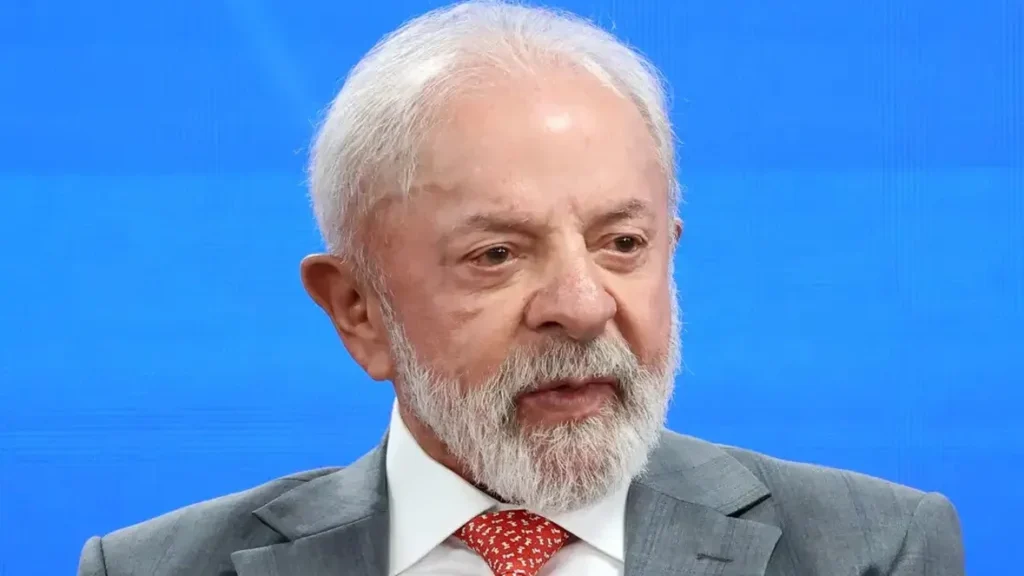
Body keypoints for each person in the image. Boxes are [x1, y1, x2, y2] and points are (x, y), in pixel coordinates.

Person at [77, 1, 964, 575]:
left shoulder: (874, 551)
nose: (582, 306)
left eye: (622, 244)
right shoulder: (154, 569)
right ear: (358, 310)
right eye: (497, 254)